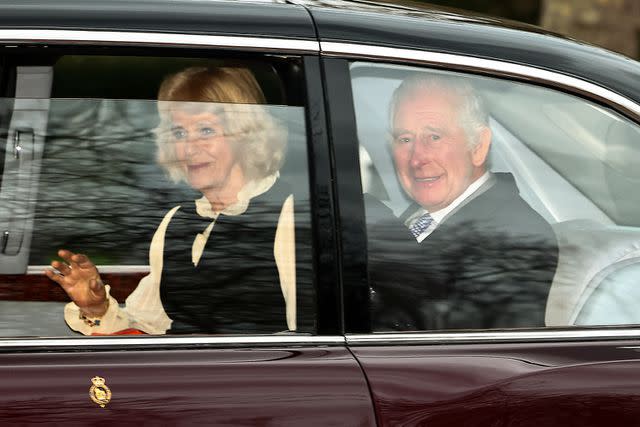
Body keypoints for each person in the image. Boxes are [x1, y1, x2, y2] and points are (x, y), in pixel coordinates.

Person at [46, 66, 302, 335]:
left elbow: (309, 345)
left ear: (245, 135)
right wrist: (97, 308)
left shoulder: (290, 216)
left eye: (205, 131)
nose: (189, 148)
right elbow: (146, 325)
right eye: (179, 133)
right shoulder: (175, 221)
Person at [366, 73, 559, 331]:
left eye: (434, 137)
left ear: (478, 146)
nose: (417, 158)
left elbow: (450, 346)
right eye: (405, 139)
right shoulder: (422, 215)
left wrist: (377, 233)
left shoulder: (516, 235)